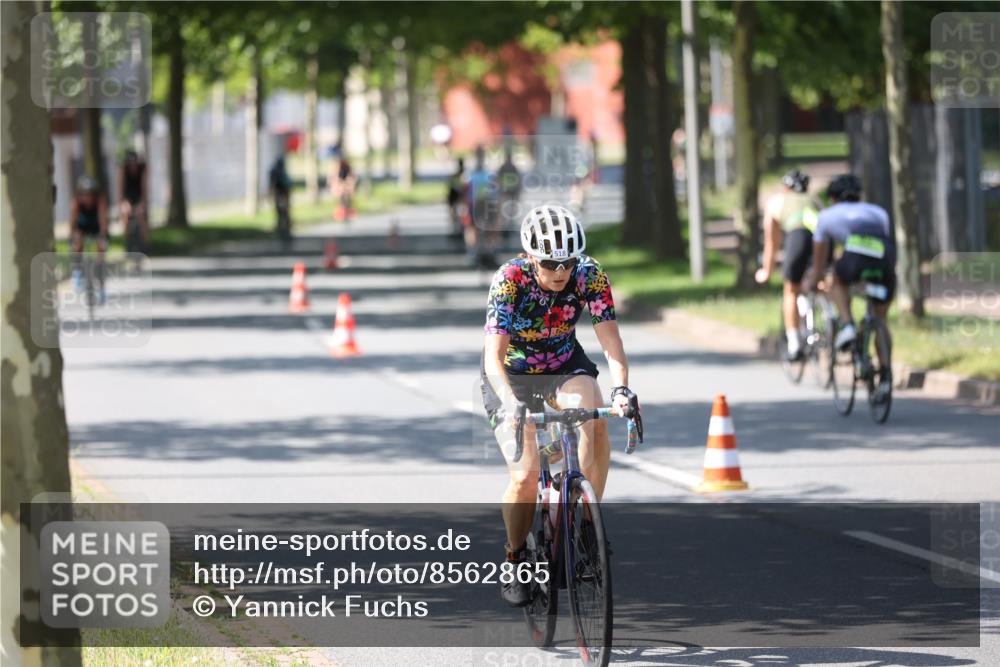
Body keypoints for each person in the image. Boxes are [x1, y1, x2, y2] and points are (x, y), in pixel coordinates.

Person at [480, 205, 638, 607]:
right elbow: (492, 358)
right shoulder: (509, 281)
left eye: (567, 261)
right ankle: (515, 558)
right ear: (531, 257)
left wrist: (622, 390)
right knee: (526, 476)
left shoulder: (590, 275)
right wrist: (512, 403)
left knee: (596, 418)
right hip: (512, 377)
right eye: (550, 263)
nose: (561, 271)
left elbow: (611, 343)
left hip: (565, 366)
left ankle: (587, 525)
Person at [803, 174, 896, 384]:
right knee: (881, 319)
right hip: (886, 260)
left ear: (833, 198)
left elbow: (819, 265)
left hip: (855, 258)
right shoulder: (879, 212)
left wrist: (811, 282)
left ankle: (848, 325)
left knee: (836, 278)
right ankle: (887, 375)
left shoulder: (826, 217)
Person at [755, 169, 822, 360]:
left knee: (790, 291)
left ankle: (794, 344)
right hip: (821, 240)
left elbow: (772, 242)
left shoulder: (776, 201)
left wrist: (766, 271)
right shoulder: (815, 200)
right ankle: (833, 320)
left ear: (785, 188)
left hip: (798, 238)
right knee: (819, 282)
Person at [69, 175, 109, 298]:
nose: (88, 198)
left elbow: (103, 222)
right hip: (82, 225)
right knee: (78, 241)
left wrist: (102, 237)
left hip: (96, 225)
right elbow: (73, 222)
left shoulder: (100, 201)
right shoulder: (76, 202)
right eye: (85, 194)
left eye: (91, 194)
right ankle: (77, 271)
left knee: (101, 249)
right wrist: (72, 237)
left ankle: (101, 286)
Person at [466, 145, 496, 265]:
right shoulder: (470, 174)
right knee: (472, 228)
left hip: (485, 203)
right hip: (475, 204)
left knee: (490, 228)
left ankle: (489, 250)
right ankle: (473, 252)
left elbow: (494, 190)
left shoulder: (487, 174)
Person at [117, 149, 148, 251]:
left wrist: (143, 202)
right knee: (126, 213)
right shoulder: (123, 170)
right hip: (128, 197)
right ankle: (128, 242)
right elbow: (121, 188)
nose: (132, 165)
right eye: (130, 162)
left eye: (134, 162)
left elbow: (144, 188)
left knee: (140, 215)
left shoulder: (142, 169)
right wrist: (121, 204)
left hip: (139, 196)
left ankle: (145, 243)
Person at [496, 145, 522, 238]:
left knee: (510, 212)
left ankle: (509, 228)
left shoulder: (513, 168)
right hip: (505, 193)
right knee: (504, 212)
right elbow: (498, 180)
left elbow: (518, 181)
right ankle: (504, 229)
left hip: (511, 193)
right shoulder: (503, 168)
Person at [269, 155, 293, 243]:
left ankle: (283, 230)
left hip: (281, 195)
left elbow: (272, 185)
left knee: (281, 213)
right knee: (284, 213)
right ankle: (284, 230)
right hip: (283, 194)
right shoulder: (280, 172)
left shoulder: (275, 172)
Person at [446, 157, 466, 241]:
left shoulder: (463, 176)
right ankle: (456, 230)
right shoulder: (457, 176)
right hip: (455, 198)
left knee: (460, 215)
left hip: (459, 198)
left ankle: (458, 230)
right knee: (455, 215)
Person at [331, 157, 356, 222]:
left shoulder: (347, 168)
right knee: (342, 199)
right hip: (341, 186)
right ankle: (343, 212)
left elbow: (351, 178)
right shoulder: (337, 169)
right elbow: (334, 178)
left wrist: (349, 187)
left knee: (347, 199)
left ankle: (347, 212)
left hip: (346, 185)